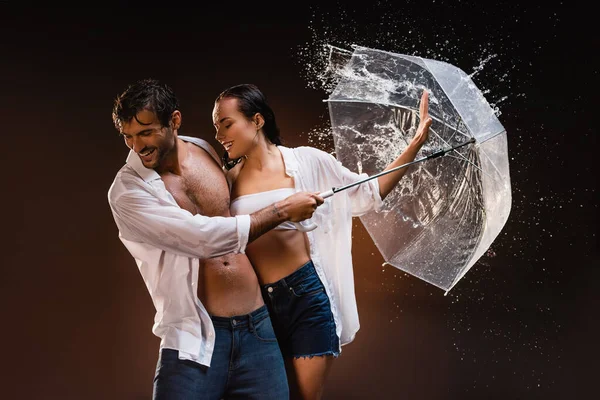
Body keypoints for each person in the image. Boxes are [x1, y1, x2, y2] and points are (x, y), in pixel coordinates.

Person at [107, 78, 324, 400]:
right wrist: (280, 210)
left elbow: (241, 203)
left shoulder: (205, 150)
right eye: (128, 137)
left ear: (174, 121)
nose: (138, 147)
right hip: (195, 337)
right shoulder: (128, 192)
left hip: (258, 328)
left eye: (146, 132)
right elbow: (204, 238)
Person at [212, 83, 432, 400]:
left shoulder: (308, 163)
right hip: (255, 309)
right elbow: (216, 239)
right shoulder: (226, 181)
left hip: (306, 299)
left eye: (226, 123)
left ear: (257, 120)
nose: (219, 135)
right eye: (216, 126)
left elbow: (369, 193)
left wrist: (415, 145)